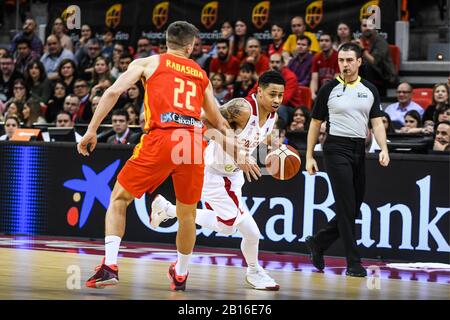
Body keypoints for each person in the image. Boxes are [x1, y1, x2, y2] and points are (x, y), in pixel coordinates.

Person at [77, 21, 235, 291]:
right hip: (192, 143)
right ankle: (181, 274)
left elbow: (114, 91)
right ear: (191, 45)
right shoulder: (200, 74)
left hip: (162, 138)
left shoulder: (148, 63)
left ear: (166, 41)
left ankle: (110, 266)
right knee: (187, 215)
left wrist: (91, 130)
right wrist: (239, 152)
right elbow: (219, 122)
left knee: (119, 198)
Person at [149, 71, 285, 290]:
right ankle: (253, 271)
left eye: (280, 95)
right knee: (240, 229)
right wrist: (236, 151)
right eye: (272, 94)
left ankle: (168, 209)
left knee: (242, 231)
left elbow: (256, 138)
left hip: (232, 174)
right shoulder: (242, 108)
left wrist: (275, 149)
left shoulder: (272, 117)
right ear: (259, 92)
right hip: (213, 174)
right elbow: (203, 121)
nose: (277, 100)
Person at [305, 43, 390, 277]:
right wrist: (310, 156)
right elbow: (314, 124)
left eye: (349, 60)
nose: (345, 64)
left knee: (353, 207)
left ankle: (319, 242)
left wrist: (383, 148)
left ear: (359, 62)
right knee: (346, 206)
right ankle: (353, 262)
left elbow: (376, 123)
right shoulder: (328, 89)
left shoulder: (370, 89)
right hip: (335, 149)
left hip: (358, 149)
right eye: (341, 60)